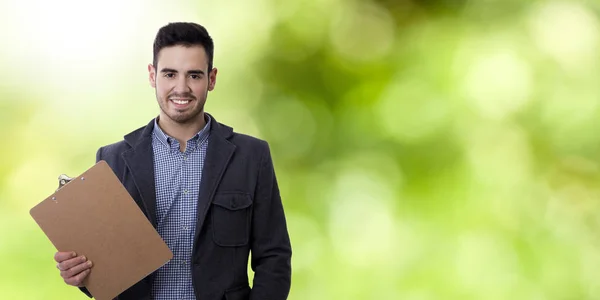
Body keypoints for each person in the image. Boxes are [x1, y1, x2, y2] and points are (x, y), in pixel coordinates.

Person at [52, 22, 292, 300]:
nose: (181, 87)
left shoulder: (251, 156)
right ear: (152, 75)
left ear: (211, 78)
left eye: (194, 75)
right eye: (170, 74)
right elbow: (103, 265)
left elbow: (274, 257)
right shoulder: (112, 160)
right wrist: (80, 275)